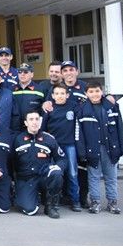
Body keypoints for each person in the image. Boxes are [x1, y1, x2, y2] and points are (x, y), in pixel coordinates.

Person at [79, 81, 123, 214]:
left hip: (110, 148)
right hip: (92, 149)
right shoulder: (82, 109)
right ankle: (95, 202)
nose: (94, 94)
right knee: (93, 177)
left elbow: (120, 128)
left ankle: (112, 202)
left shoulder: (111, 107)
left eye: (97, 91)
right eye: (91, 92)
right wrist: (82, 151)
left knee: (111, 176)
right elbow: (80, 133)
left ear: (102, 92)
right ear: (86, 94)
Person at [13, 110, 66, 218]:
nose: (34, 122)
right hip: (26, 179)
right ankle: (30, 196)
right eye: (31, 119)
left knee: (55, 173)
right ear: (26, 122)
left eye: (37, 119)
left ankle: (50, 205)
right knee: (29, 210)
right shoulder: (18, 139)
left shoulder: (49, 139)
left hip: (43, 176)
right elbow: (12, 161)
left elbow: (62, 159)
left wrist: (58, 167)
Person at [42, 83, 82, 211]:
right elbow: (42, 128)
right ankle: (55, 200)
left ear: (67, 95)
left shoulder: (74, 107)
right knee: (55, 173)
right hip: (53, 147)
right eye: (57, 93)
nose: (60, 96)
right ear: (52, 96)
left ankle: (75, 200)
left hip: (70, 145)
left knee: (72, 173)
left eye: (62, 93)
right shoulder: (49, 108)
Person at [11, 63, 44, 132]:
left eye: (26, 72)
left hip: (33, 130)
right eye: (20, 72)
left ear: (32, 74)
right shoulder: (11, 90)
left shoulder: (40, 90)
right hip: (15, 129)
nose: (22, 74)